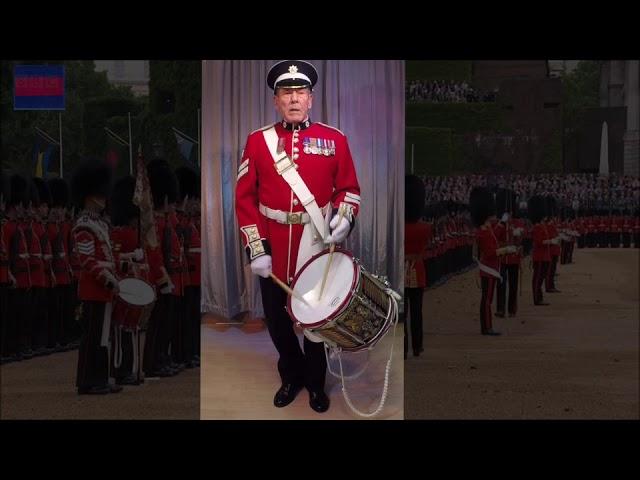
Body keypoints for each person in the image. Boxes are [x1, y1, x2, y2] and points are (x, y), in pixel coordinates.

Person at [235, 60, 361, 413]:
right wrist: (256, 248)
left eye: (300, 92)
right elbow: (244, 198)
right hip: (272, 243)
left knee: (315, 321)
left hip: (315, 243)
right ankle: (291, 375)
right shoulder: (258, 141)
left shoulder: (335, 140)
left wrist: (345, 217)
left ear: (311, 99)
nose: (293, 99)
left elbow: (349, 189)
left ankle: (316, 383)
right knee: (277, 320)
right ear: (276, 101)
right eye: (286, 93)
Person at [71, 159, 122, 395]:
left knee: (103, 336)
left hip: (104, 289)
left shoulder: (99, 223)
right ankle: (88, 380)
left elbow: (107, 255)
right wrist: (107, 278)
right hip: (94, 289)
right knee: (92, 336)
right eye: (100, 195)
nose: (103, 200)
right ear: (90, 196)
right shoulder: (83, 224)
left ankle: (100, 377)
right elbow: (88, 261)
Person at [469, 187, 516, 336]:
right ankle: (487, 327)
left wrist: (503, 222)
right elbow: (490, 252)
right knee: (487, 300)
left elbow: (495, 235)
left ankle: (486, 326)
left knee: (487, 299)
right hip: (488, 269)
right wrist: (507, 250)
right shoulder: (483, 232)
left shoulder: (486, 230)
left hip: (490, 269)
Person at [404, 175, 429, 358]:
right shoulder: (425, 228)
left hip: (401, 272)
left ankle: (403, 348)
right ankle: (417, 346)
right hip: (417, 272)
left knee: (403, 315)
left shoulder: (400, 227)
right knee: (417, 313)